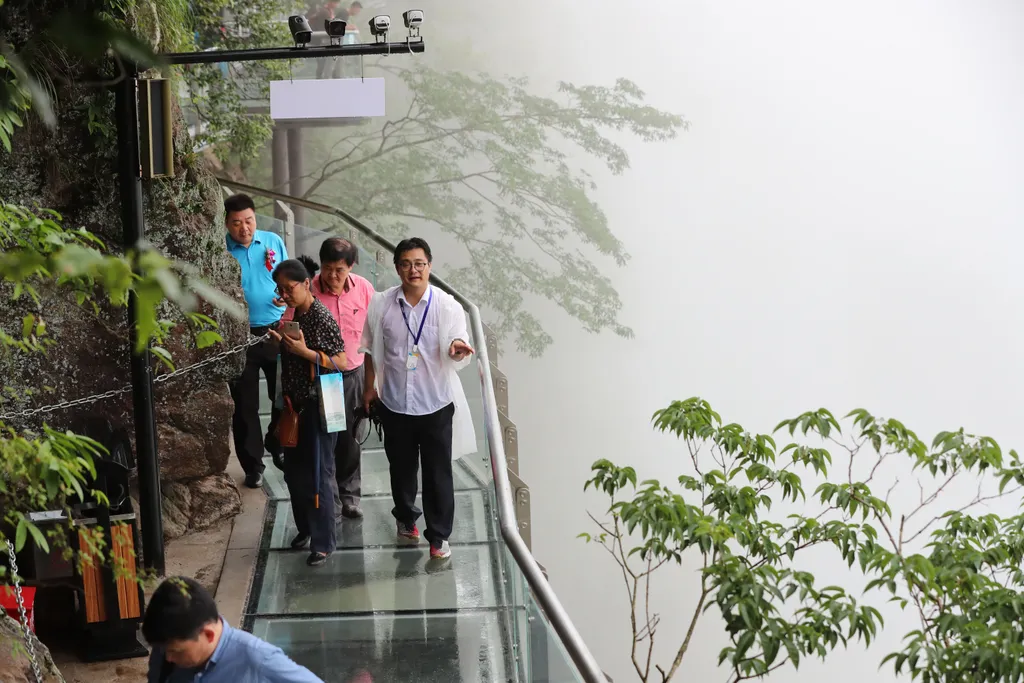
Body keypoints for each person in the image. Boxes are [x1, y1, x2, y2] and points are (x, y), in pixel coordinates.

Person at [360, 238, 477, 560]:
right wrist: (370, 388)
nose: (413, 270)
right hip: (395, 401)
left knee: (438, 472)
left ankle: (439, 536)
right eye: (406, 264)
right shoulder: (382, 303)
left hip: (436, 402)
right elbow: (370, 349)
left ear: (429, 265)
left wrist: (456, 347)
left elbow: (458, 340)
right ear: (397, 267)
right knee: (401, 468)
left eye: (419, 263)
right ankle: (406, 518)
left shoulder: (447, 305)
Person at [269, 257, 347, 567]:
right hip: (294, 406)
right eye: (281, 290)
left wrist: (305, 353)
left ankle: (323, 541)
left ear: (305, 284)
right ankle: (306, 528)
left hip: (319, 407)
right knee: (294, 473)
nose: (285, 295)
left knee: (319, 475)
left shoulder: (321, 317)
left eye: (289, 289)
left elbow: (341, 360)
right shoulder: (294, 314)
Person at [143, 576, 322, 682]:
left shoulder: (257, 659)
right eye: (164, 650)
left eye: (176, 651)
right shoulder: (166, 648)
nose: (169, 657)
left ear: (208, 634)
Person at [308, 238, 374, 518]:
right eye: (327, 268)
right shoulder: (309, 288)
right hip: (325, 374)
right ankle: (331, 497)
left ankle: (349, 495)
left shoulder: (364, 289)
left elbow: (374, 332)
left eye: (339, 269)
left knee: (351, 437)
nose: (332, 276)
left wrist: (374, 382)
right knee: (329, 436)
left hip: (355, 372)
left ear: (351, 266)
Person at [224, 193, 287, 489]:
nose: (244, 228)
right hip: (240, 336)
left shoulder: (273, 241)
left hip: (276, 332)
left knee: (283, 395)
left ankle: (279, 443)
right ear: (227, 223)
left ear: (255, 219)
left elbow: (289, 278)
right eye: (236, 223)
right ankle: (253, 465)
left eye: (248, 221)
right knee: (245, 405)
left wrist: (285, 297)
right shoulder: (222, 248)